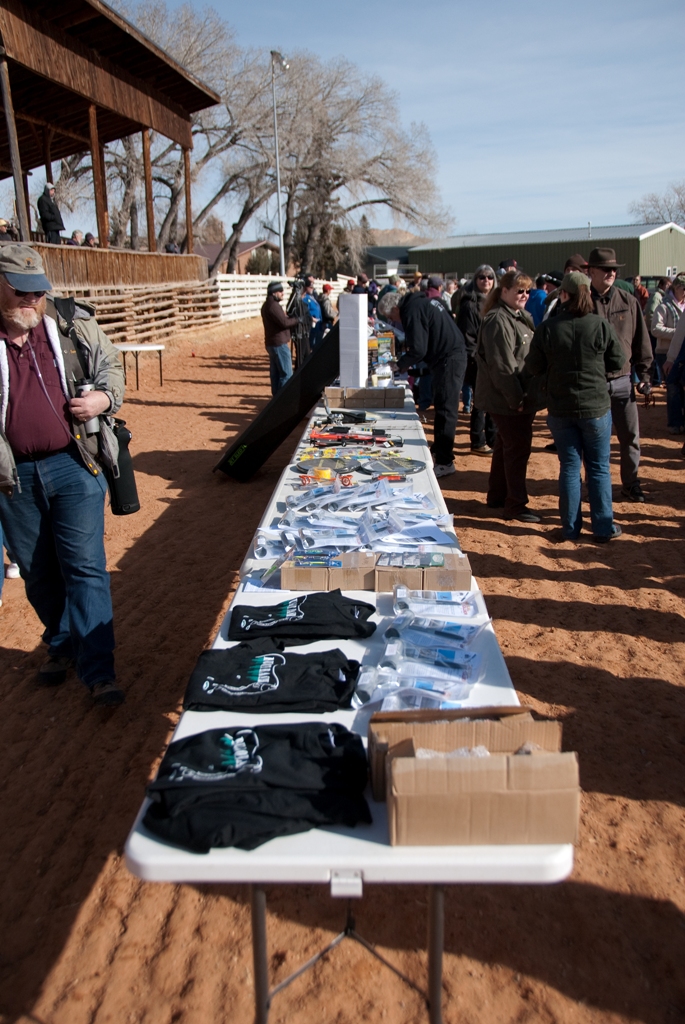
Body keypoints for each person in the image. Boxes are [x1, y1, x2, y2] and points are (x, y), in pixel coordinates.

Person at [0, 244, 126, 705]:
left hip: (74, 464)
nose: (32, 300)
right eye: (21, 291)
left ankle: (99, 670)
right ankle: (61, 640)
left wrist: (103, 400)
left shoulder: (71, 322)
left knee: (86, 567)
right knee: (37, 572)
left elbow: (112, 365)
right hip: (13, 476)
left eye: (38, 290)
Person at [525, 272, 625, 543]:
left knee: (569, 466)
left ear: (564, 295)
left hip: (561, 407)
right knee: (599, 467)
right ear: (588, 294)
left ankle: (570, 529)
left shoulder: (549, 328)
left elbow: (533, 366)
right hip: (595, 407)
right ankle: (603, 528)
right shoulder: (600, 325)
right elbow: (618, 361)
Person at [380, 284, 467, 477]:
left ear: (395, 309)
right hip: (447, 356)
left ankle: (445, 461)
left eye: (391, 317)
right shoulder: (420, 304)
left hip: (449, 358)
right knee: (442, 406)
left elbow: (418, 349)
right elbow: (424, 345)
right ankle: (440, 451)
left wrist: (399, 365)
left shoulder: (412, 310)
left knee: (446, 408)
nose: (393, 321)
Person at [474, 270, 541, 522]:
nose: (523, 295)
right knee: (517, 449)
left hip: (512, 394)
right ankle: (515, 504)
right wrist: (516, 399)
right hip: (505, 397)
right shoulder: (498, 320)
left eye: (527, 291)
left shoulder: (519, 316)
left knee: (505, 445)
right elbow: (502, 366)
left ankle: (497, 496)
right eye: (518, 290)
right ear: (503, 292)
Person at [587, 247, 653, 503]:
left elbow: (641, 342)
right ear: (591, 271)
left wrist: (645, 375)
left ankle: (631, 483)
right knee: (595, 441)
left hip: (624, 380)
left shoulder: (628, 301)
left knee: (630, 437)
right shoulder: (581, 303)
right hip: (593, 383)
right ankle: (596, 487)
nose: (611, 273)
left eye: (614, 269)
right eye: (606, 269)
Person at [457, 264, 497, 455]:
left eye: (489, 277)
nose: (486, 280)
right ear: (475, 280)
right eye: (482, 277)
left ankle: (493, 438)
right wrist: (477, 358)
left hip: (494, 359)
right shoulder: (469, 304)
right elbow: (467, 337)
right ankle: (478, 441)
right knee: (480, 401)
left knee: (493, 400)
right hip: (477, 359)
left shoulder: (496, 301)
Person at [652, 276, 685, 431]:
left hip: (679, 353)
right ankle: (675, 422)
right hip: (666, 352)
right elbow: (655, 328)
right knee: (672, 386)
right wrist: (676, 333)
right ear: (675, 289)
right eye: (682, 289)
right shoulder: (664, 306)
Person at [260, 281, 299, 395]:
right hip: (279, 343)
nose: (282, 293)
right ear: (273, 293)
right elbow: (284, 323)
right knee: (286, 374)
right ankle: (282, 400)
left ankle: (276, 401)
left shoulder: (267, 305)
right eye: (280, 291)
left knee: (276, 374)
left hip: (272, 343)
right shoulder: (273, 306)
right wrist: (297, 320)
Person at [645, 277, 671, 385]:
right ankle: (656, 380)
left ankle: (658, 380)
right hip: (654, 332)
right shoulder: (657, 296)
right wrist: (653, 329)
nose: (669, 288)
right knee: (654, 357)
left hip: (657, 332)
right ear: (661, 285)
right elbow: (651, 313)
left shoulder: (664, 297)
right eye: (668, 285)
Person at [301, 274, 323, 349]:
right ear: (306, 288)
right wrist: (311, 318)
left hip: (317, 324)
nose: (312, 289)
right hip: (311, 324)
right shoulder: (305, 298)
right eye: (310, 288)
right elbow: (304, 311)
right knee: (311, 343)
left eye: (312, 288)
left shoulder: (312, 296)